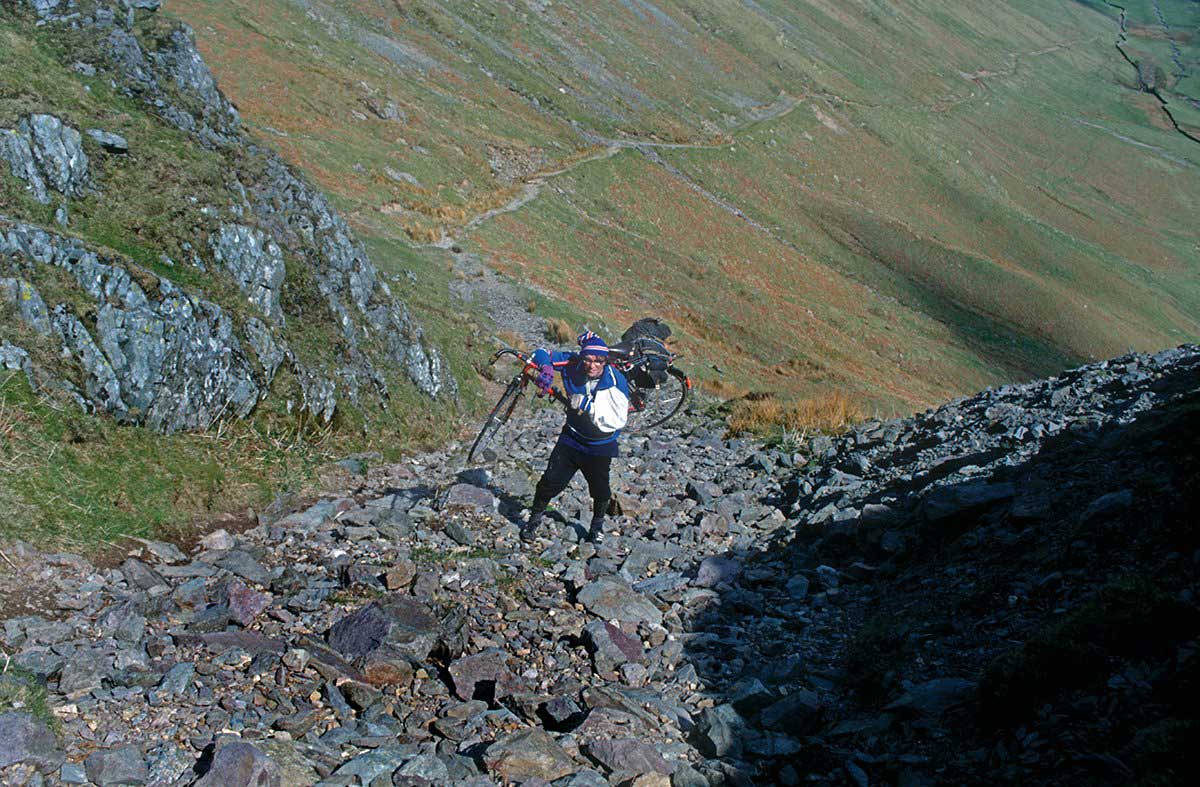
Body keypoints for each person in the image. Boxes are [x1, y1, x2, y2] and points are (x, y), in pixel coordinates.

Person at [521, 330, 629, 544]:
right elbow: (541, 352)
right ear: (582, 357)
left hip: (600, 446)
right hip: (571, 438)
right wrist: (546, 367)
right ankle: (534, 519)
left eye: (599, 360)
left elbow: (617, 420)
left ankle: (596, 527)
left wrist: (588, 407)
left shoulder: (616, 381)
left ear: (606, 360)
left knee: (600, 490)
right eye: (588, 359)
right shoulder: (573, 363)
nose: (593, 365)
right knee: (549, 482)